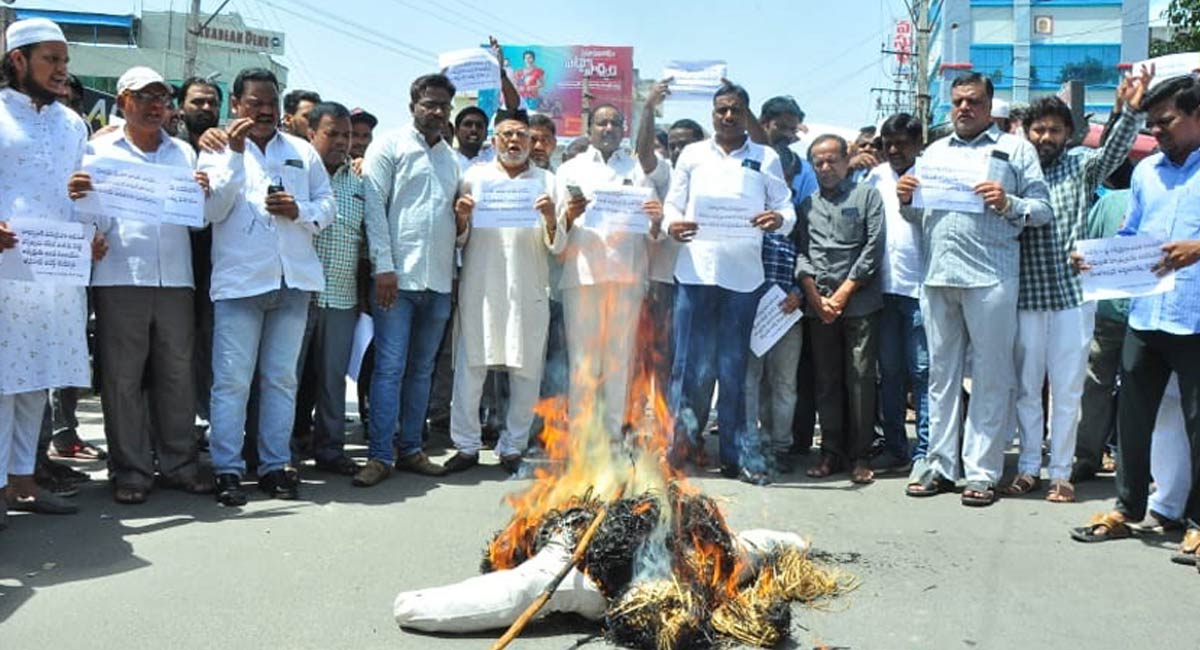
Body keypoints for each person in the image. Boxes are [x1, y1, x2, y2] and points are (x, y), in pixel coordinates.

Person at [898, 72, 1051, 507]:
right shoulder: (935, 151)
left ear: (989, 106)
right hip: (938, 275)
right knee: (939, 377)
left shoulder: (1014, 148)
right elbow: (918, 218)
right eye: (959, 101)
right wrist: (906, 198)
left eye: (974, 102)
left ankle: (982, 471)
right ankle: (941, 465)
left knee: (990, 376)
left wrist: (1008, 203)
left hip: (991, 276)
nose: (965, 108)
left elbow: (1042, 209)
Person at [68, 66, 218, 504]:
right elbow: (90, 216)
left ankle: (179, 463)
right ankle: (131, 469)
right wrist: (86, 226)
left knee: (177, 374)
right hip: (120, 275)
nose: (156, 106)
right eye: (145, 97)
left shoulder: (184, 155)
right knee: (123, 377)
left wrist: (203, 195)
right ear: (122, 103)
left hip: (175, 277)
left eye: (162, 98)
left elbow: (201, 221)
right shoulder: (98, 153)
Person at [1069, 75, 1200, 572]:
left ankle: (1197, 523)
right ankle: (1128, 506)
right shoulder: (1146, 173)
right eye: (1151, 124)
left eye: (1164, 122)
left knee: (1197, 424)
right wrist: (1098, 261)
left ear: (1196, 114)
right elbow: (1129, 233)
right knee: (1134, 416)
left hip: (1196, 317)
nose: (1157, 132)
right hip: (1146, 315)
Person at [1005, 70, 1148, 503]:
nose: (1046, 136)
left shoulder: (1081, 165)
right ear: (1027, 133)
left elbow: (1115, 152)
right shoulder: (1014, 172)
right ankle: (1029, 467)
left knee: (1068, 388)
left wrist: (1129, 110)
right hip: (1025, 296)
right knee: (1028, 388)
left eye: (1054, 129)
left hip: (1071, 295)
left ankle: (1061, 472)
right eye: (1039, 129)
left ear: (1069, 133)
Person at [198, 68, 335, 505]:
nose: (263, 111)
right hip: (240, 284)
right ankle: (228, 468)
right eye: (253, 102)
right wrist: (235, 157)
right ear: (235, 105)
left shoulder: (301, 151)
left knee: (281, 379)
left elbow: (327, 206)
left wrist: (298, 209)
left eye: (270, 103)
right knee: (232, 382)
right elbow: (212, 212)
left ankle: (275, 465)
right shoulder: (216, 151)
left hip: (292, 280)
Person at [663, 83, 792, 483]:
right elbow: (672, 203)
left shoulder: (764, 156)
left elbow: (785, 207)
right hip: (695, 272)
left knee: (733, 369)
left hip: (742, 278)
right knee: (688, 368)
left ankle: (736, 457)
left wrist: (779, 221)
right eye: (721, 110)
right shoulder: (692, 154)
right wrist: (672, 224)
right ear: (712, 114)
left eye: (736, 110)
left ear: (746, 112)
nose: (728, 117)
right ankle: (679, 451)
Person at [0, 18, 97, 522]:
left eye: (65, 61)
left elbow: (82, 192)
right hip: (3, 270)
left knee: (35, 378)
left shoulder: (73, 124)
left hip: (55, 273)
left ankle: (22, 481)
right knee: (0, 383)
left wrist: (92, 230)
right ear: (18, 61)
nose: (62, 70)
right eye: (51, 59)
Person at [353, 74, 461, 487]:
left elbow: (453, 217)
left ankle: (412, 449)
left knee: (422, 371)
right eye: (430, 104)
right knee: (390, 368)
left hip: (438, 282)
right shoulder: (390, 146)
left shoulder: (450, 159)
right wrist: (383, 267)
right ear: (413, 104)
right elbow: (374, 210)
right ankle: (380, 455)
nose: (437, 113)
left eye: (443, 107)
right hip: (395, 281)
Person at [446, 108, 564, 475]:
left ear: (532, 142)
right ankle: (465, 446)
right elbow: (458, 239)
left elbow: (558, 246)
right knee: (470, 368)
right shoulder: (474, 178)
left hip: (528, 287)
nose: (514, 142)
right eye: (506, 135)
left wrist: (549, 219)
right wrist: (462, 219)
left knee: (526, 371)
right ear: (494, 141)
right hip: (481, 286)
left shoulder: (548, 182)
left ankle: (512, 446)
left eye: (521, 136)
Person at [555, 101, 668, 442]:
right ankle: (581, 437)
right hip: (583, 272)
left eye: (614, 124)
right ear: (589, 129)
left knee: (619, 359)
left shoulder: (640, 168)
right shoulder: (570, 169)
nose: (607, 129)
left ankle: (613, 435)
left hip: (627, 274)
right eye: (601, 123)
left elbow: (654, 229)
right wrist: (569, 215)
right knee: (583, 360)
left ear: (623, 131)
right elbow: (554, 227)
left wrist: (656, 219)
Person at [796, 134, 883, 484]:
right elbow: (801, 252)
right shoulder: (807, 204)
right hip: (820, 306)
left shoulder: (866, 196)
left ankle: (861, 454)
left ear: (847, 160)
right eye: (818, 162)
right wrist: (815, 295)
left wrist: (845, 292)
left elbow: (873, 247)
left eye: (832, 160)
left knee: (860, 377)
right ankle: (831, 452)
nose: (826, 167)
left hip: (859, 301)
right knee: (826, 380)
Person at [298, 101, 378, 476]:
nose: (343, 142)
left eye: (347, 135)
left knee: (332, 380)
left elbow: (365, 246)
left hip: (342, 297)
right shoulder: (297, 175)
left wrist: (364, 301)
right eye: (333, 133)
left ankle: (329, 449)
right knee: (288, 378)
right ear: (311, 133)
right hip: (297, 296)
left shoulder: (361, 183)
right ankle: (281, 448)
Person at [865, 113, 928, 477]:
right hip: (882, 290)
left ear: (917, 145)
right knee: (888, 373)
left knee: (922, 372)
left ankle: (925, 450)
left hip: (921, 289)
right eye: (887, 144)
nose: (893, 150)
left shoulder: (932, 176)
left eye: (902, 144)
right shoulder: (873, 178)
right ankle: (894, 447)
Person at [743, 143, 804, 475]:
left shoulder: (799, 215)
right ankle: (751, 444)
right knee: (749, 380)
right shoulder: (744, 209)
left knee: (784, 383)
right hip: (751, 310)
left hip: (786, 312)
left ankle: (781, 445)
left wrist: (800, 293)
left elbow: (812, 258)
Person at [1073, 161, 1133, 482]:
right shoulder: (1115, 202)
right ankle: (1130, 463)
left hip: (1111, 310)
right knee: (1135, 390)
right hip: (1131, 312)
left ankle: (1087, 457)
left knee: (1096, 383)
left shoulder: (1110, 202)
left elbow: (1088, 244)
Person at [177, 75, 223, 446]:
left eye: (212, 102)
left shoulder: (228, 150)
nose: (206, 109)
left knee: (210, 354)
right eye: (197, 102)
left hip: (215, 270)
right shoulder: (166, 149)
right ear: (181, 108)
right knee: (173, 356)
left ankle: (208, 430)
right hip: (173, 268)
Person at [454, 106, 494, 171]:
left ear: (486, 134)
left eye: (479, 125)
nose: (474, 130)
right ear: (456, 131)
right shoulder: (448, 159)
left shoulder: (495, 160)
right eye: (468, 125)